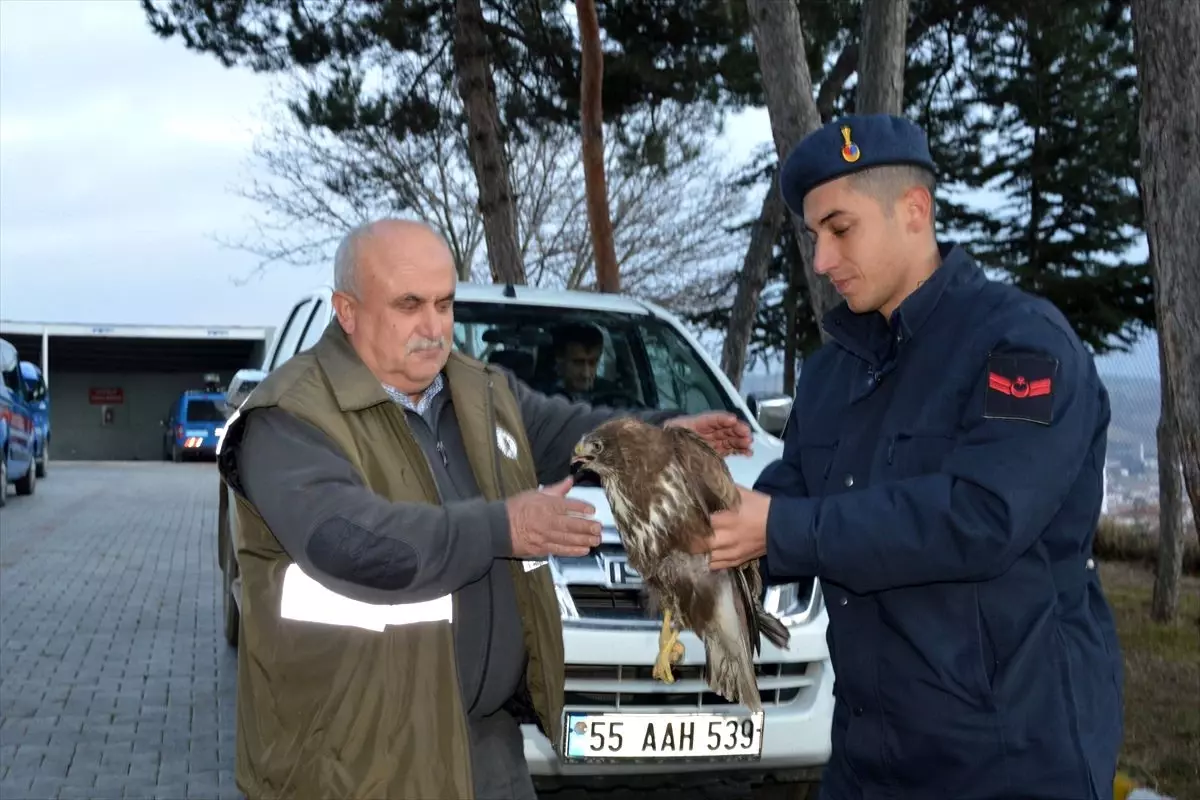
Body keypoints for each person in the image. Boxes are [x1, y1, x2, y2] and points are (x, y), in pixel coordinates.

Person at [215, 218, 753, 800]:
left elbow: (564, 428)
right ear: (347, 312)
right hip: (353, 758)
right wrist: (506, 526)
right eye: (409, 305)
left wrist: (661, 434)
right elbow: (355, 543)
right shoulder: (287, 417)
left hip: (485, 742)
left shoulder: (478, 390)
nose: (433, 326)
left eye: (445, 304)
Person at [693, 115, 1124, 800]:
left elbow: (980, 516)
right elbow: (788, 500)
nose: (824, 261)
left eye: (840, 229)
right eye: (813, 238)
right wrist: (693, 520)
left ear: (914, 212)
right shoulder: (835, 374)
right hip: (870, 761)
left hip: (1008, 760)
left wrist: (779, 528)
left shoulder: (1018, 344)